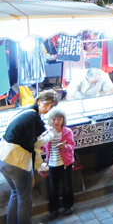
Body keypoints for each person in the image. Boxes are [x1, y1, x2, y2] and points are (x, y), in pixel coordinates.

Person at [0, 90, 59, 224]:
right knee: (25, 198)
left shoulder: (26, 112)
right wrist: (50, 135)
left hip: (3, 159)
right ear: (39, 101)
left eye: (52, 106)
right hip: (17, 162)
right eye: (47, 104)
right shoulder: (33, 118)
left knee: (16, 194)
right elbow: (37, 142)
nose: (48, 109)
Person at [42, 108, 75, 218]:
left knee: (67, 186)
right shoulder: (47, 133)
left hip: (65, 164)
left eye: (59, 119)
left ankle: (68, 206)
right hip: (52, 164)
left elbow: (72, 147)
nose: (56, 122)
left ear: (63, 120)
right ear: (50, 120)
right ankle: (53, 209)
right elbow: (42, 147)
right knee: (53, 188)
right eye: (53, 119)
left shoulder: (67, 132)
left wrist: (63, 146)